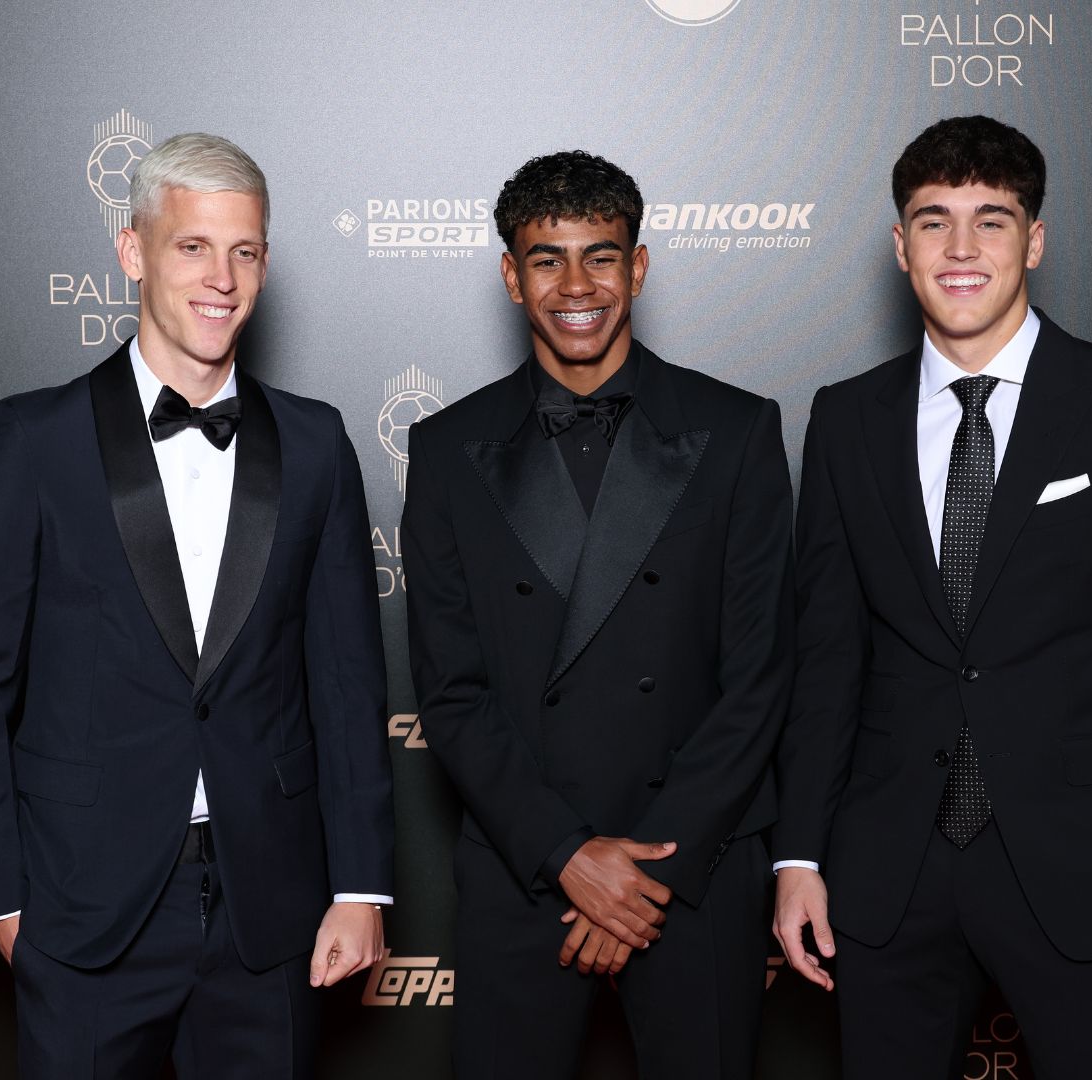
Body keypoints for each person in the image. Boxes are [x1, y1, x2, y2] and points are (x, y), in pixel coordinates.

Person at [772, 115, 1092, 1078]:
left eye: (990, 222)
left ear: (1033, 240)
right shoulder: (844, 417)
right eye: (932, 221)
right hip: (885, 872)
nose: (960, 250)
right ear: (898, 244)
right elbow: (826, 656)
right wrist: (798, 858)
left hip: (1078, 861)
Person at [0, 132, 393, 1078]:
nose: (221, 277)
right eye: (192, 246)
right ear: (134, 250)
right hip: (80, 910)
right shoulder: (36, 437)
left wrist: (361, 888)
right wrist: (0, 901)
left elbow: (346, 685)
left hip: (272, 913)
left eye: (246, 250)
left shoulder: (315, 443)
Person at [402, 150, 793, 1079]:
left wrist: (644, 874)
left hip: (691, 868)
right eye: (546, 258)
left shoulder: (737, 429)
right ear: (510, 275)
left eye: (601, 256)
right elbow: (451, 691)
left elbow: (760, 678)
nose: (575, 285)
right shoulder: (448, 446)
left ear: (639, 267)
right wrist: (568, 855)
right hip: (523, 863)